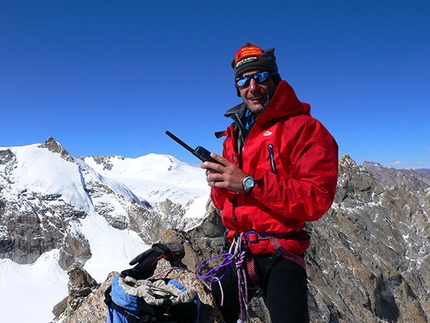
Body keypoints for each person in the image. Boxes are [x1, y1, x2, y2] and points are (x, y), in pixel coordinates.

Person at [200, 42, 339, 323]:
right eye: (243, 80)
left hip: (281, 250)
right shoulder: (233, 135)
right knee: (203, 313)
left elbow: (316, 200)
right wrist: (220, 183)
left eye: (260, 77)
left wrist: (249, 183)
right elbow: (224, 203)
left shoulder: (306, 130)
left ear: (274, 79)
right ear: (237, 87)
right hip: (238, 250)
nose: (253, 87)